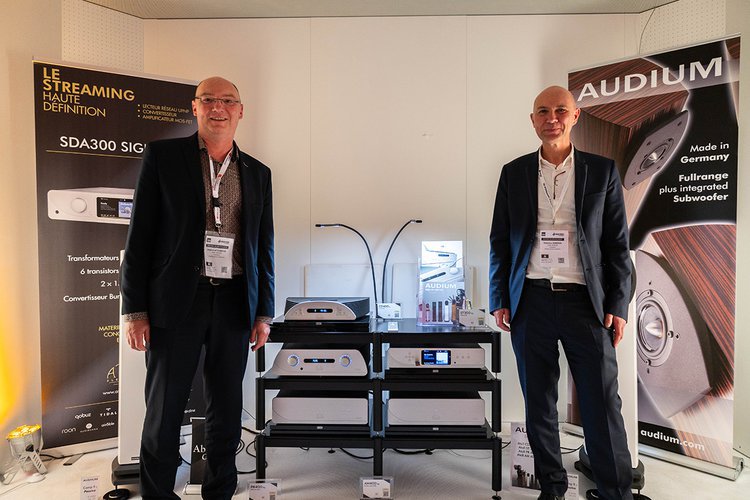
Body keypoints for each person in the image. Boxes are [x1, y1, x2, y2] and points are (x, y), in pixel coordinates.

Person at [121, 76, 274, 499]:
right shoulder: (163, 157)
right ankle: (158, 494)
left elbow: (264, 246)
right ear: (195, 107)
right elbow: (139, 236)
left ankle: (219, 491)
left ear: (240, 111)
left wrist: (264, 312)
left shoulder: (258, 173)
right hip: (175, 302)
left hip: (234, 301)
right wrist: (135, 310)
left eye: (227, 101)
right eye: (208, 100)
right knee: (165, 408)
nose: (217, 107)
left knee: (226, 407)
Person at [489, 86, 632, 500]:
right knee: (539, 403)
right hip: (530, 300)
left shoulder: (602, 171)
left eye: (560, 110)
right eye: (542, 111)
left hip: (586, 302)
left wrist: (619, 304)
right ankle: (552, 488)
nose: (551, 118)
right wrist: (500, 298)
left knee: (601, 402)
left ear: (575, 116)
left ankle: (615, 491)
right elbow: (500, 240)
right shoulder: (513, 172)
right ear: (532, 119)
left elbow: (617, 245)